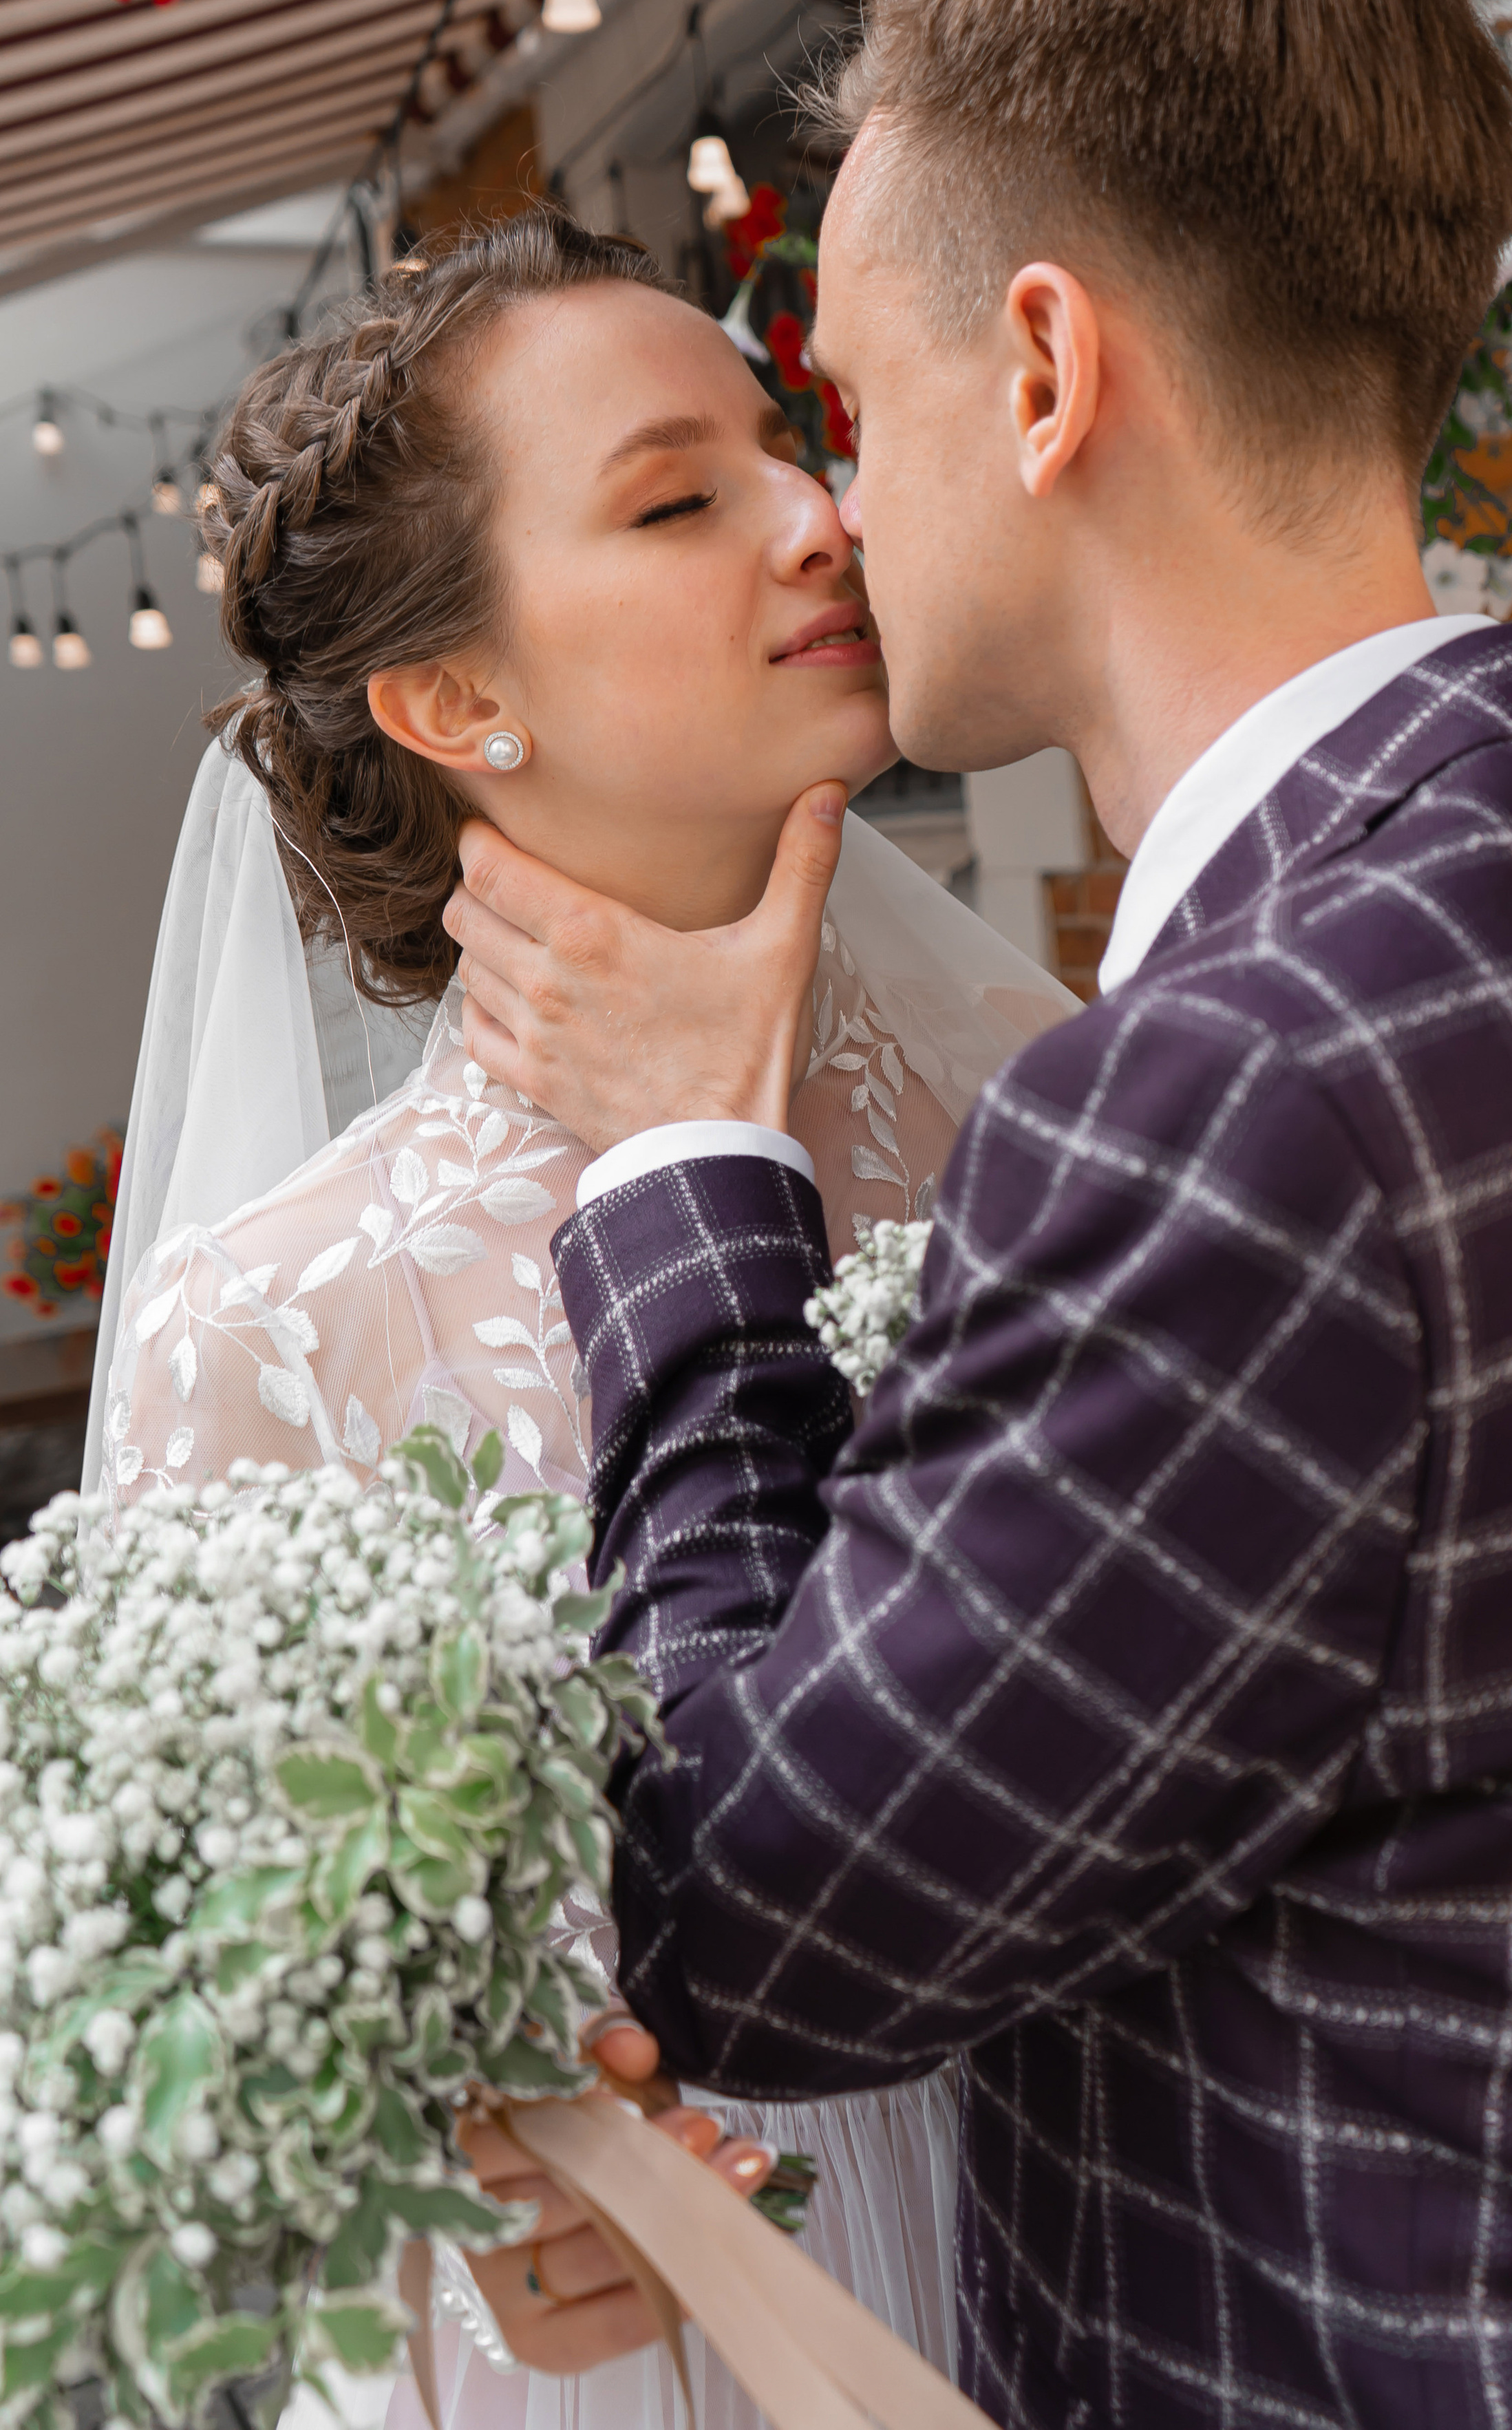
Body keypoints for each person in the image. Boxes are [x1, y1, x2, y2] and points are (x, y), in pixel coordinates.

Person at [444, 0, 1512, 2430]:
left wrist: (688, 1172)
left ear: (1043, 373)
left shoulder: (1232, 1093)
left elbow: (747, 1910)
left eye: (848, 404)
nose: (834, 514)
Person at [94, 210, 1076, 2430]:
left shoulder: (1052, 1112)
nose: (819, 516)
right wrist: (479, 2189)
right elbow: (226, 2067)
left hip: (1099, 2243)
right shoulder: (279, 1325)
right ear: (460, 704)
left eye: (790, 441)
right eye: (674, 501)